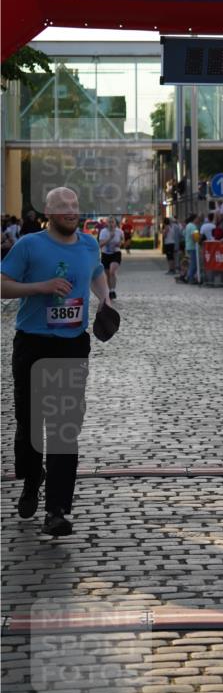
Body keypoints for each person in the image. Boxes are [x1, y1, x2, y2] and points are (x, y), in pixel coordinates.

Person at [0, 187, 112, 537]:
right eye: (63, 206)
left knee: (65, 428)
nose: (70, 210)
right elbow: (2, 285)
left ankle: (57, 510)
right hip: (32, 345)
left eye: (75, 205)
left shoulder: (89, 244)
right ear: (47, 212)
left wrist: (105, 298)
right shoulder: (29, 246)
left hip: (72, 345)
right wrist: (41, 287)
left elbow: (96, 272)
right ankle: (32, 478)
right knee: (29, 425)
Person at [98, 215, 124, 299]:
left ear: (115, 223)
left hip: (116, 253)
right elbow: (100, 244)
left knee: (112, 271)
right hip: (105, 254)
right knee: (107, 274)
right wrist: (109, 238)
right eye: (109, 222)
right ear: (106, 223)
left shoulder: (119, 231)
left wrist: (120, 243)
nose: (111, 224)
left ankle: (113, 290)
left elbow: (122, 241)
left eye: (112, 222)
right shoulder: (103, 232)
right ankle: (110, 291)